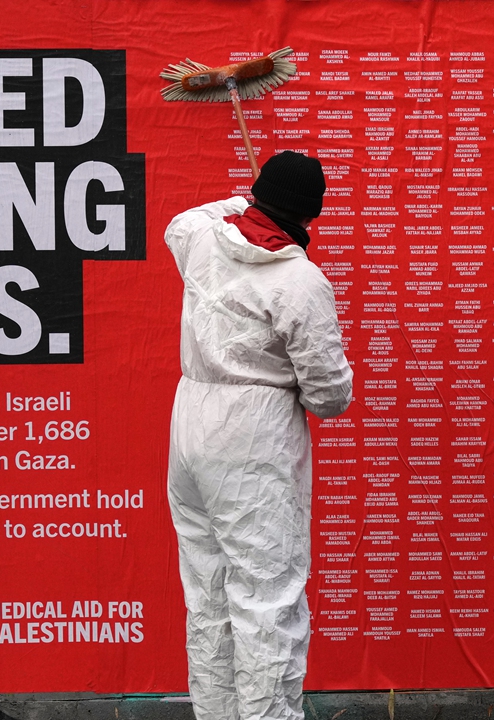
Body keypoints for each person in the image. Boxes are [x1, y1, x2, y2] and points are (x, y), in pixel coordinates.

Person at [164, 151, 353, 720]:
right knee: (267, 597)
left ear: (254, 195)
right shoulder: (300, 280)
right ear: (311, 214)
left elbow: (184, 220)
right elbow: (330, 395)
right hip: (253, 437)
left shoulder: (201, 239)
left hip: (191, 422)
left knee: (209, 591)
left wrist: (243, 199)